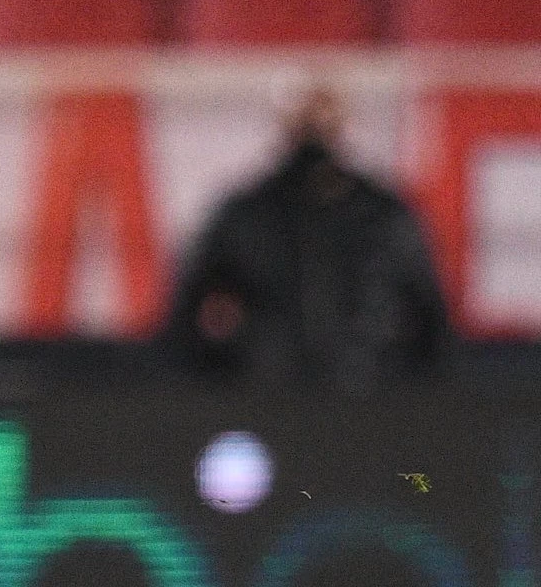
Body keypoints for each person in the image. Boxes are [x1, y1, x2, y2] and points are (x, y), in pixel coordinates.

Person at [164, 88, 449, 395]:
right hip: (268, 397)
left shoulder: (384, 214)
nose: (315, 128)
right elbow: (186, 317)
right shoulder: (245, 213)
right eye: (305, 116)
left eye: (322, 114)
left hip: (365, 397)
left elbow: (431, 321)